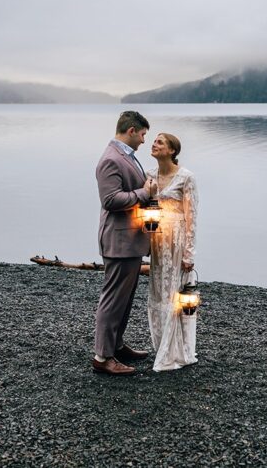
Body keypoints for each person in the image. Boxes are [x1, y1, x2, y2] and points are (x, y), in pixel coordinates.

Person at [92, 110, 158, 375]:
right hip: (118, 241)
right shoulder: (110, 160)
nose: (144, 140)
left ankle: (117, 345)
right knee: (112, 300)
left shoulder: (126, 156)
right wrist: (144, 193)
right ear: (131, 130)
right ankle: (102, 357)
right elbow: (109, 200)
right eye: (142, 134)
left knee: (125, 299)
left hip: (130, 240)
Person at [146, 132, 199, 371]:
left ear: (172, 151)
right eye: (154, 141)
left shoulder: (186, 177)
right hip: (157, 240)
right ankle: (161, 346)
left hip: (177, 240)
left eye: (160, 142)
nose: (154, 145)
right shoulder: (149, 175)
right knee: (158, 292)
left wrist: (189, 254)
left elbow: (192, 217)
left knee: (174, 293)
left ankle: (175, 350)